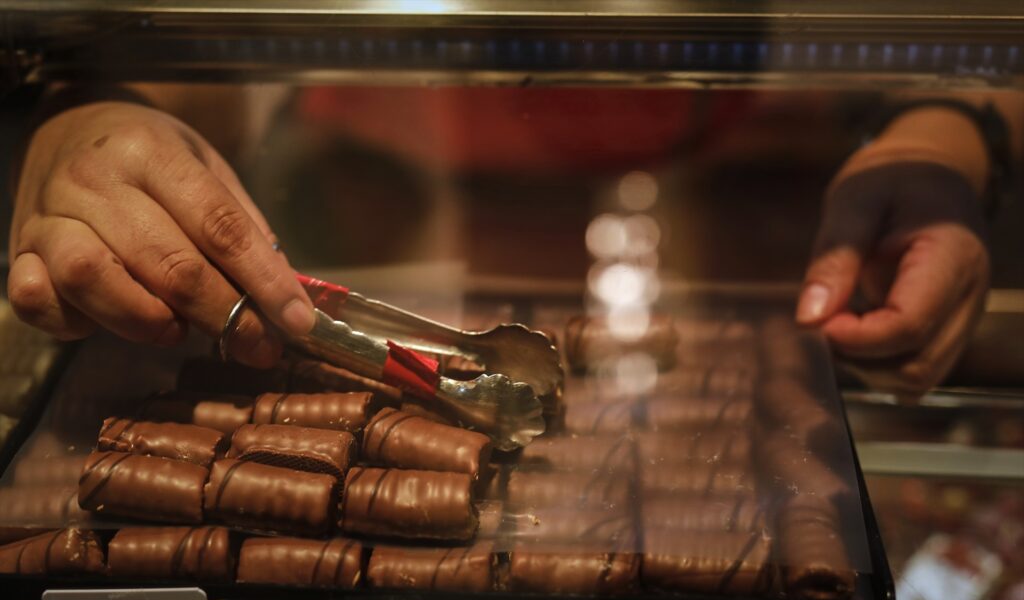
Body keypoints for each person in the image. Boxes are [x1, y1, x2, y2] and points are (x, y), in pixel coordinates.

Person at [6, 86, 1021, 395]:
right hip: (372, 210)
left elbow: (958, 43)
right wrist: (102, 114)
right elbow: (186, 62)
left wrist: (954, 127)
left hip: (729, 222)